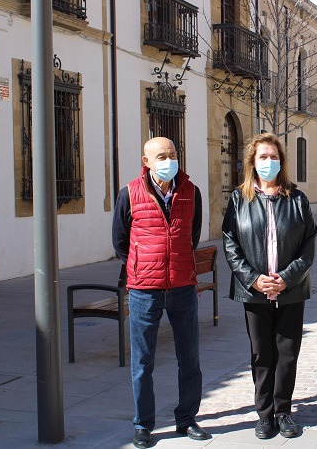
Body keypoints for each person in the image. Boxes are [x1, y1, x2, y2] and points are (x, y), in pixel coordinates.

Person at [112, 136, 208, 448]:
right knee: (143, 363)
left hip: (182, 286)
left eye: (173, 154)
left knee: (189, 357)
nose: (168, 160)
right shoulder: (129, 192)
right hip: (144, 290)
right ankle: (144, 425)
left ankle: (187, 419)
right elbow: (120, 241)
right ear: (147, 161)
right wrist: (142, 266)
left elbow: (192, 236)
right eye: (161, 156)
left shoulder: (191, 192)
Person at [222, 132, 317, 439]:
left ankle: (283, 410)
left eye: (274, 157)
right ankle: (264, 414)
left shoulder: (297, 199)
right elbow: (230, 242)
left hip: (290, 290)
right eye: (263, 157)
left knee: (288, 353)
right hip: (255, 291)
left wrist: (287, 278)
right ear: (253, 161)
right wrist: (254, 279)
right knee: (262, 353)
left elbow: (309, 244)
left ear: (282, 161)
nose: (269, 162)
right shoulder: (239, 199)